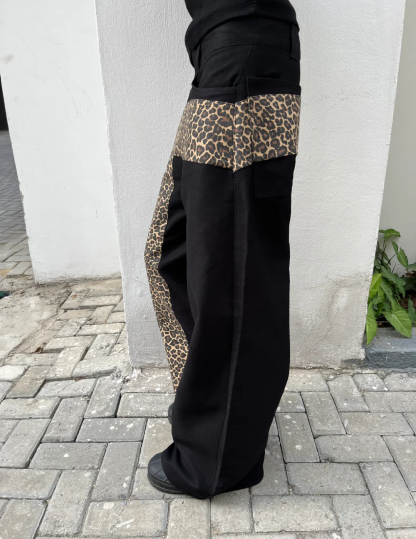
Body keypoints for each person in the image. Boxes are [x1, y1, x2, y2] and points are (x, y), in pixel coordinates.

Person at [144, 0, 301, 499]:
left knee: (232, 274)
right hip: (224, 55)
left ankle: (216, 463)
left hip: (242, 53)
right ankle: (218, 413)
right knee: (172, 250)